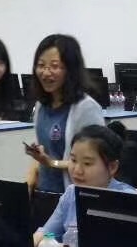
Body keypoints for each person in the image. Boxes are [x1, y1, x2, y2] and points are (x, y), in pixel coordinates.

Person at [26, 33, 104, 194]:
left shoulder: (86, 108)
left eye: (54, 66)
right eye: (41, 65)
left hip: (71, 196)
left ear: (70, 69)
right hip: (43, 192)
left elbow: (94, 162)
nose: (46, 73)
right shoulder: (41, 106)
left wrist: (51, 163)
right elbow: (43, 154)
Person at [33, 124, 135, 246]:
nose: (77, 170)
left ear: (112, 167)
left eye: (87, 163)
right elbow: (46, 234)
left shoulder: (127, 200)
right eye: (73, 160)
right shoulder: (71, 193)